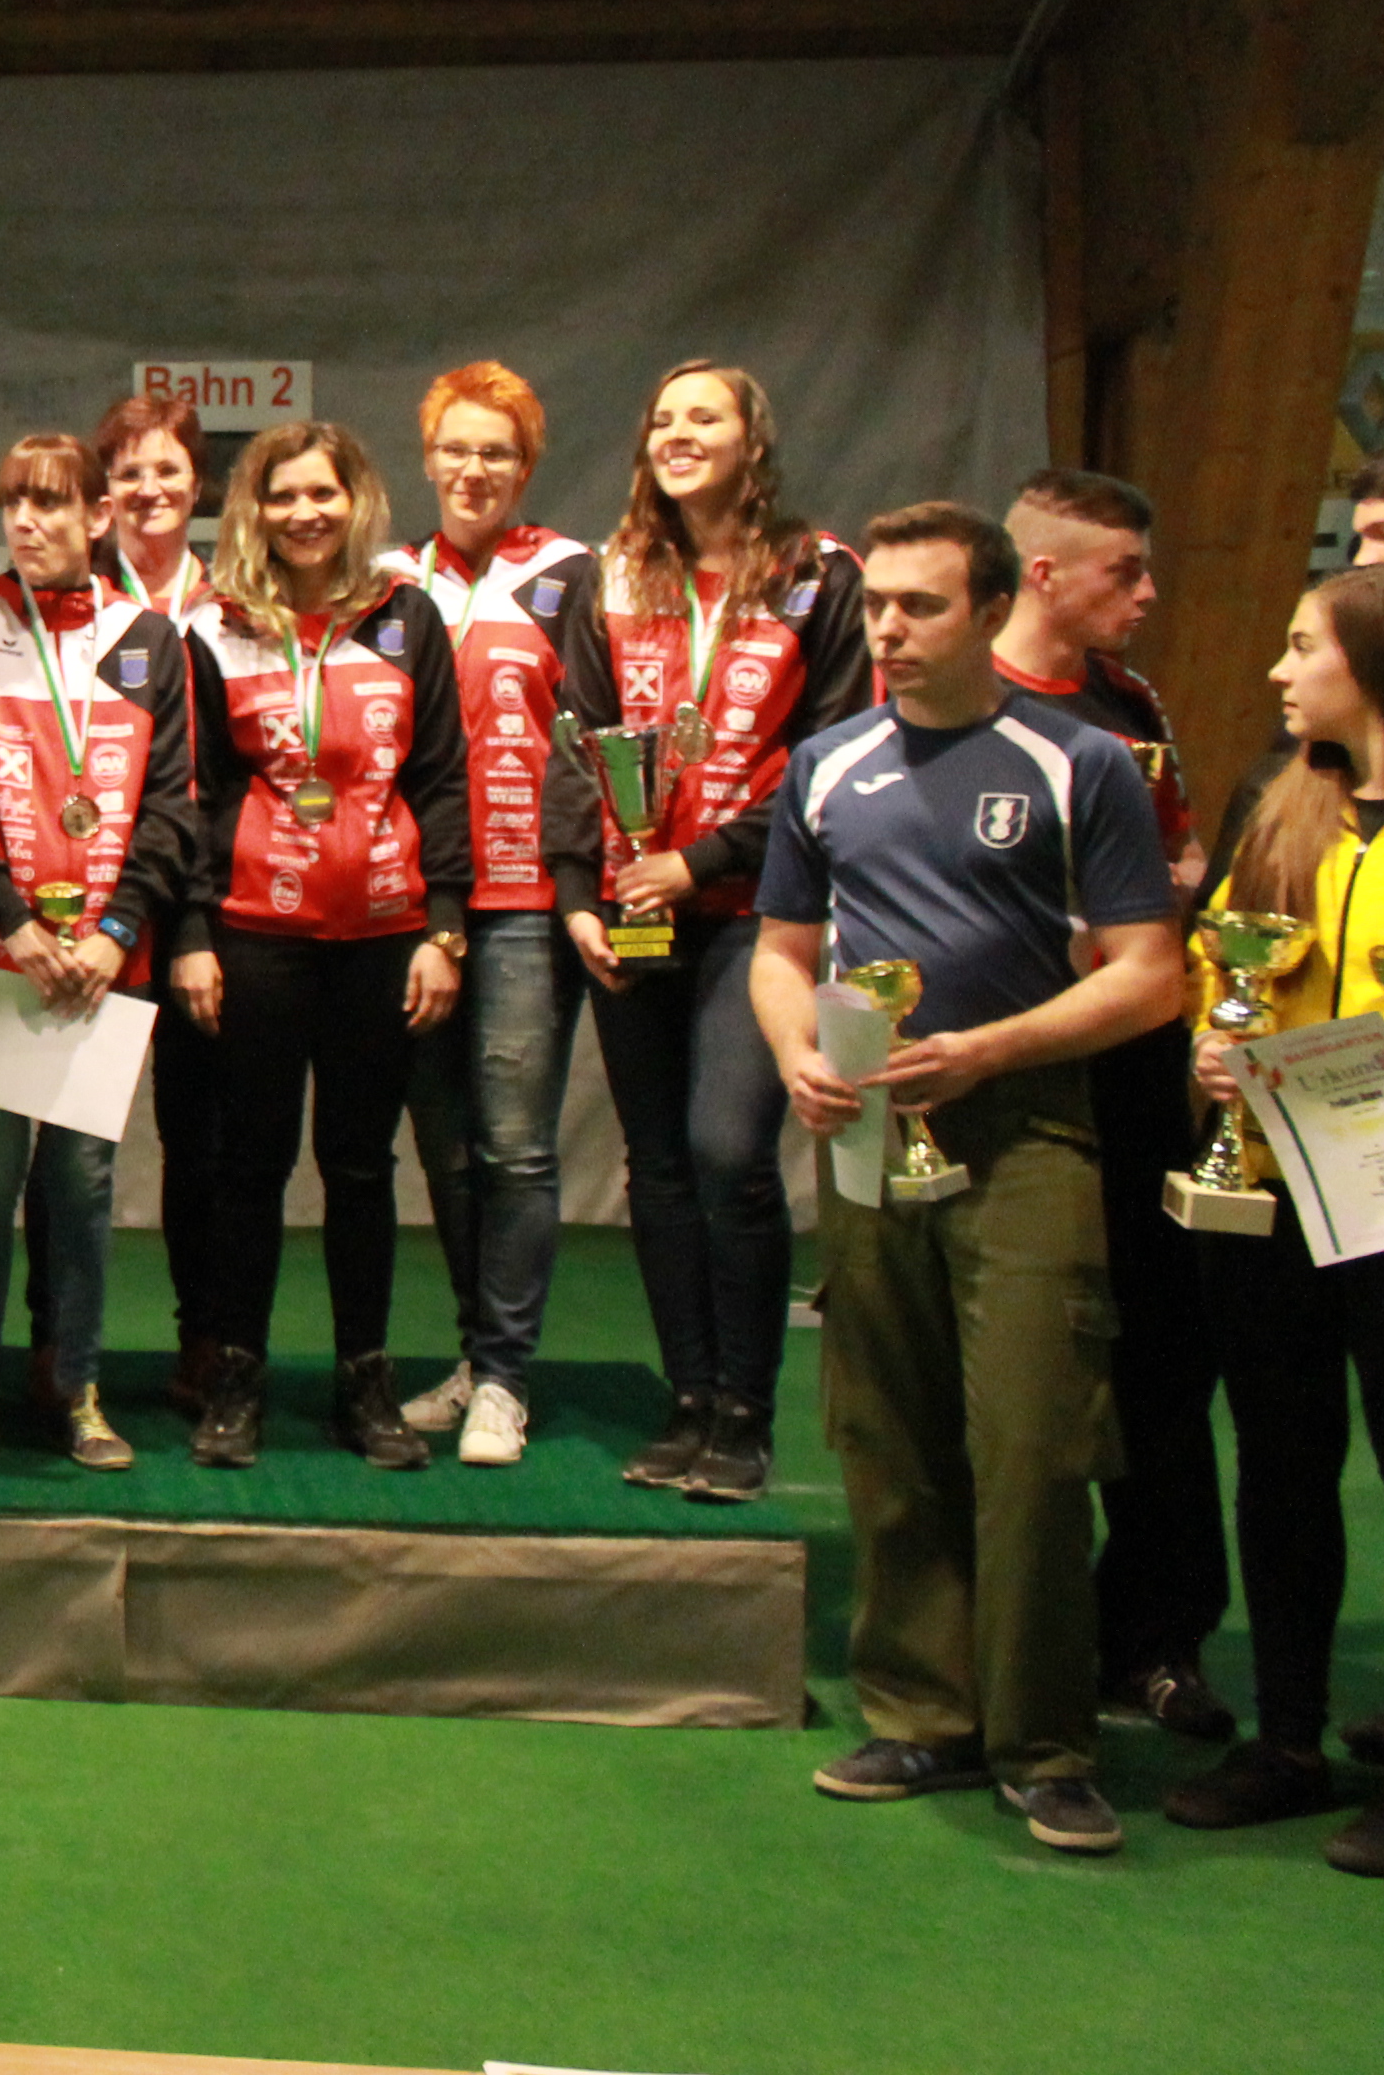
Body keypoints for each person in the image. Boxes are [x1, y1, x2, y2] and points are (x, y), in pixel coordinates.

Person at [758, 502, 1178, 1857]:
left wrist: (989, 1051)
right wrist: (798, 1055)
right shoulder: (825, 765)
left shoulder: (1082, 764)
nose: (887, 629)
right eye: (878, 604)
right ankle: (920, 1716)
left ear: (992, 611)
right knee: (887, 1432)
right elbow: (781, 954)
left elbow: (1150, 977)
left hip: (1030, 1134)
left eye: (920, 606)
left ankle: (1046, 1747)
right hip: (868, 1129)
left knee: (1036, 1443)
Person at [553, 361, 870, 1506]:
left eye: (705, 417)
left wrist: (704, 859)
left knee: (729, 1151)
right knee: (658, 1166)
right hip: (632, 910)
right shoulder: (611, 574)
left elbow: (834, 754)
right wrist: (578, 894)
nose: (678, 434)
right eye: (663, 419)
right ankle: (687, 1399)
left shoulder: (818, 574)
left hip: (756, 914)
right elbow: (576, 739)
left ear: (753, 440)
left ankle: (746, 1410)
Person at [982, 469, 1232, 1744]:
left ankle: (1158, 1633)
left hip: (1131, 1063)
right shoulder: (954, 705)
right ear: (1045, 574)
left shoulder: (1131, 707)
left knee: (1161, 1354)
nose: (1146, 594)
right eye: (1123, 571)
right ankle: (994, 1637)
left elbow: (1176, 864)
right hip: (996, 1071)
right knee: (1007, 1366)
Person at [170, 421, 470, 1468]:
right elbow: (192, 791)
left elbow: (441, 777)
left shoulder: (407, 617)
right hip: (255, 933)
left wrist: (444, 928)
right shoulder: (216, 627)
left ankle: (363, 1383)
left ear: (356, 501)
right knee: (247, 1166)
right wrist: (193, 930)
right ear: (253, 509)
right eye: (283, 495)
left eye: (322, 494)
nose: (304, 513)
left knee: (359, 1166)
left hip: (383, 933)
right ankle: (236, 1380)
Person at [0, 433, 199, 1472]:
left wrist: (116, 931)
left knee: (80, 1185)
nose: (27, 523)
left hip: (107, 964)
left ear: (98, 516)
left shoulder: (148, 637)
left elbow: (172, 805)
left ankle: (78, 1389)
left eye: (50, 504)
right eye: (13, 504)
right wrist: (17, 924)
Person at [1164, 567, 1384, 1868]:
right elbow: (1221, 958)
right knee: (1282, 1458)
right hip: (1276, 1181)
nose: (1278, 670)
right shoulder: (1281, 798)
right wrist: (1214, 1046)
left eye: (1305, 647)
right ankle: (1289, 1740)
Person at [376, 368, 598, 1466]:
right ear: (428, 459)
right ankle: (477, 1356)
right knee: (448, 1148)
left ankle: (506, 1379)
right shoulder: (388, 580)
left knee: (514, 1146)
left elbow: (597, 735)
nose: (474, 470)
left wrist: (581, 883)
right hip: (414, 905)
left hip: (524, 902)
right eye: (456, 449)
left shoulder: (569, 574)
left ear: (526, 466)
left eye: (496, 453)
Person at [93, 389, 227, 1413]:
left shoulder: (233, 608)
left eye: (167, 470)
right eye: (129, 472)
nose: (149, 489)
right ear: (103, 493)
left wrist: (193, 925)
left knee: (202, 1143)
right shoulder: (70, 606)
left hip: (200, 921)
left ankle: (206, 1344)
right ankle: (63, 1352)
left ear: (198, 484)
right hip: (92, 915)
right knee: (72, 1150)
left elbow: (236, 781)